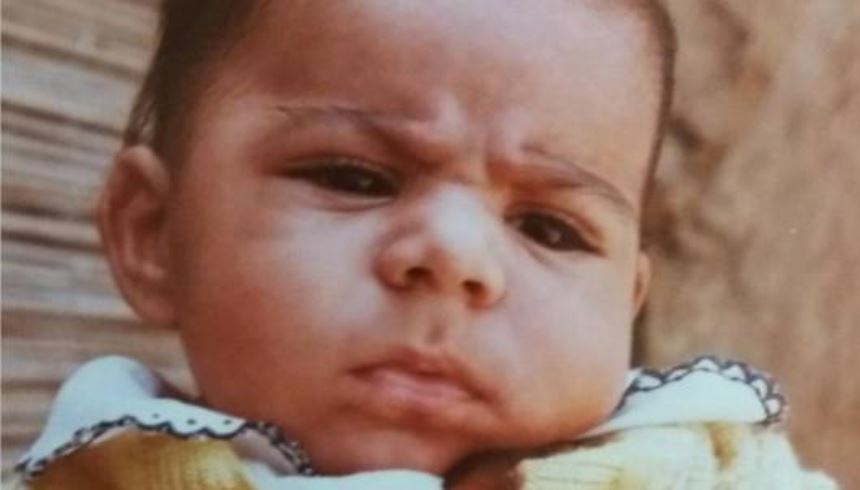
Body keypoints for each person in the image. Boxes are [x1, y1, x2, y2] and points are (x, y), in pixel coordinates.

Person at [10, 0, 837, 488]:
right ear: (153, 233)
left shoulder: (702, 468)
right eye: (353, 177)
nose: (453, 256)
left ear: (628, 302)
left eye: (549, 228)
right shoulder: (97, 472)